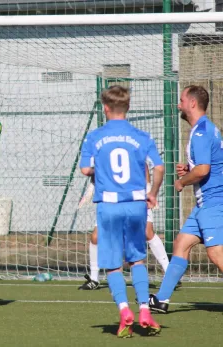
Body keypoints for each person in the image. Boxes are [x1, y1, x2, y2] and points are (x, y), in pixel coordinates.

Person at [80, 86, 163, 337]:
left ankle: (124, 309)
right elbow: (158, 168)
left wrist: (101, 171)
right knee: (137, 259)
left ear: (105, 108)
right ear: (127, 107)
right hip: (136, 203)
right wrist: (153, 193)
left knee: (114, 265)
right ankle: (145, 310)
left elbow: (85, 170)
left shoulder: (95, 137)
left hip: (109, 205)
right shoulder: (142, 136)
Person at [150, 85, 223, 314]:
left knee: (215, 253)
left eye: (181, 100)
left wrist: (182, 181)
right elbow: (204, 165)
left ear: (192, 103)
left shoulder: (201, 132)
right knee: (181, 243)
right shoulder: (203, 130)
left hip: (214, 202)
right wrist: (188, 168)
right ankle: (161, 300)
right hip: (205, 205)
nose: (178, 104)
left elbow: (203, 170)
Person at [78, 166, 170, 290]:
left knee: (147, 232)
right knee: (96, 237)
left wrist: (148, 191)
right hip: (111, 201)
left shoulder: (132, 148)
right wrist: (91, 188)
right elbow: (95, 169)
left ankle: (169, 273)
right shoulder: (103, 150)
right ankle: (94, 279)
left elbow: (144, 165)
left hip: (135, 198)